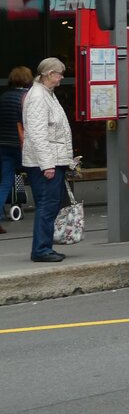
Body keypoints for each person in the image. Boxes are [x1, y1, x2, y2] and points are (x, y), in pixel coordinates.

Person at [22, 58, 73, 263]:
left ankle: (44, 247)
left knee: (50, 204)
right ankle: (41, 249)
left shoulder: (46, 94)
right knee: (47, 205)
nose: (62, 77)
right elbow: (37, 134)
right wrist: (47, 164)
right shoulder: (38, 97)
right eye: (59, 73)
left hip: (51, 159)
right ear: (49, 74)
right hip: (46, 162)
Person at [0, 66, 32, 234]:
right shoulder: (26, 98)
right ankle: (46, 215)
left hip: (4, 144)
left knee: (5, 182)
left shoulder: (4, 97)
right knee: (35, 176)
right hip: (21, 145)